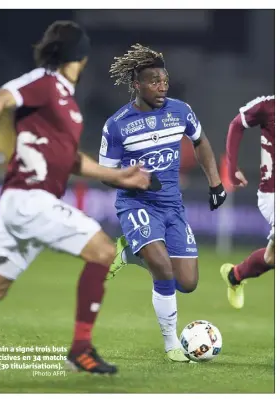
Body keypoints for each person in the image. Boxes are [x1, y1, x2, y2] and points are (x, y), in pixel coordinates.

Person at [0, 21, 151, 375]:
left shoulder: (65, 100)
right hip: (29, 199)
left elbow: (71, 160)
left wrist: (117, 176)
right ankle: (81, 350)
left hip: (28, 204)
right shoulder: (45, 81)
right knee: (103, 251)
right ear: (80, 57)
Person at [98, 44, 226, 362]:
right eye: (154, 81)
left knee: (188, 282)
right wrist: (135, 178)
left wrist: (216, 182)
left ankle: (127, 251)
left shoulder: (180, 111)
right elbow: (105, 173)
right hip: (136, 204)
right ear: (136, 83)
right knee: (163, 269)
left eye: (164, 80)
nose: (161, 86)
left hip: (172, 206)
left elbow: (201, 141)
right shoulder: (118, 125)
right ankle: (171, 345)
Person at [220, 95, 275, 309]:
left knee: (271, 258)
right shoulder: (269, 106)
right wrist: (232, 167)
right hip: (273, 194)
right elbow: (236, 124)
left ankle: (235, 275)